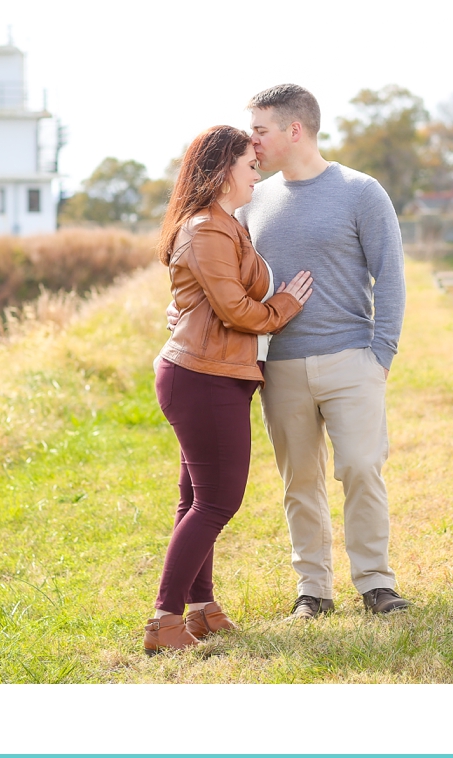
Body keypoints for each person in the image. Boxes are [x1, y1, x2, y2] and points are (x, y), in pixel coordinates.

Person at [168, 84, 410, 619]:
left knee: (363, 468)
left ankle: (376, 583)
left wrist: (381, 355)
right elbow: (222, 273)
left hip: (352, 357)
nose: (252, 144)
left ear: (293, 130)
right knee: (299, 480)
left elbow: (390, 277)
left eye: (260, 131)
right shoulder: (256, 199)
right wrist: (187, 312)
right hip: (277, 365)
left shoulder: (361, 191)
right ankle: (313, 591)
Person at [146, 125, 314, 655]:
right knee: (218, 501)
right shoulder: (208, 230)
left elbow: (207, 301)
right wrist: (286, 304)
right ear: (222, 174)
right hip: (202, 377)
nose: (257, 174)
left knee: (196, 498)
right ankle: (163, 620)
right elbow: (235, 310)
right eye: (249, 165)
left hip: (212, 373)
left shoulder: (224, 224)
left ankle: (200, 610)